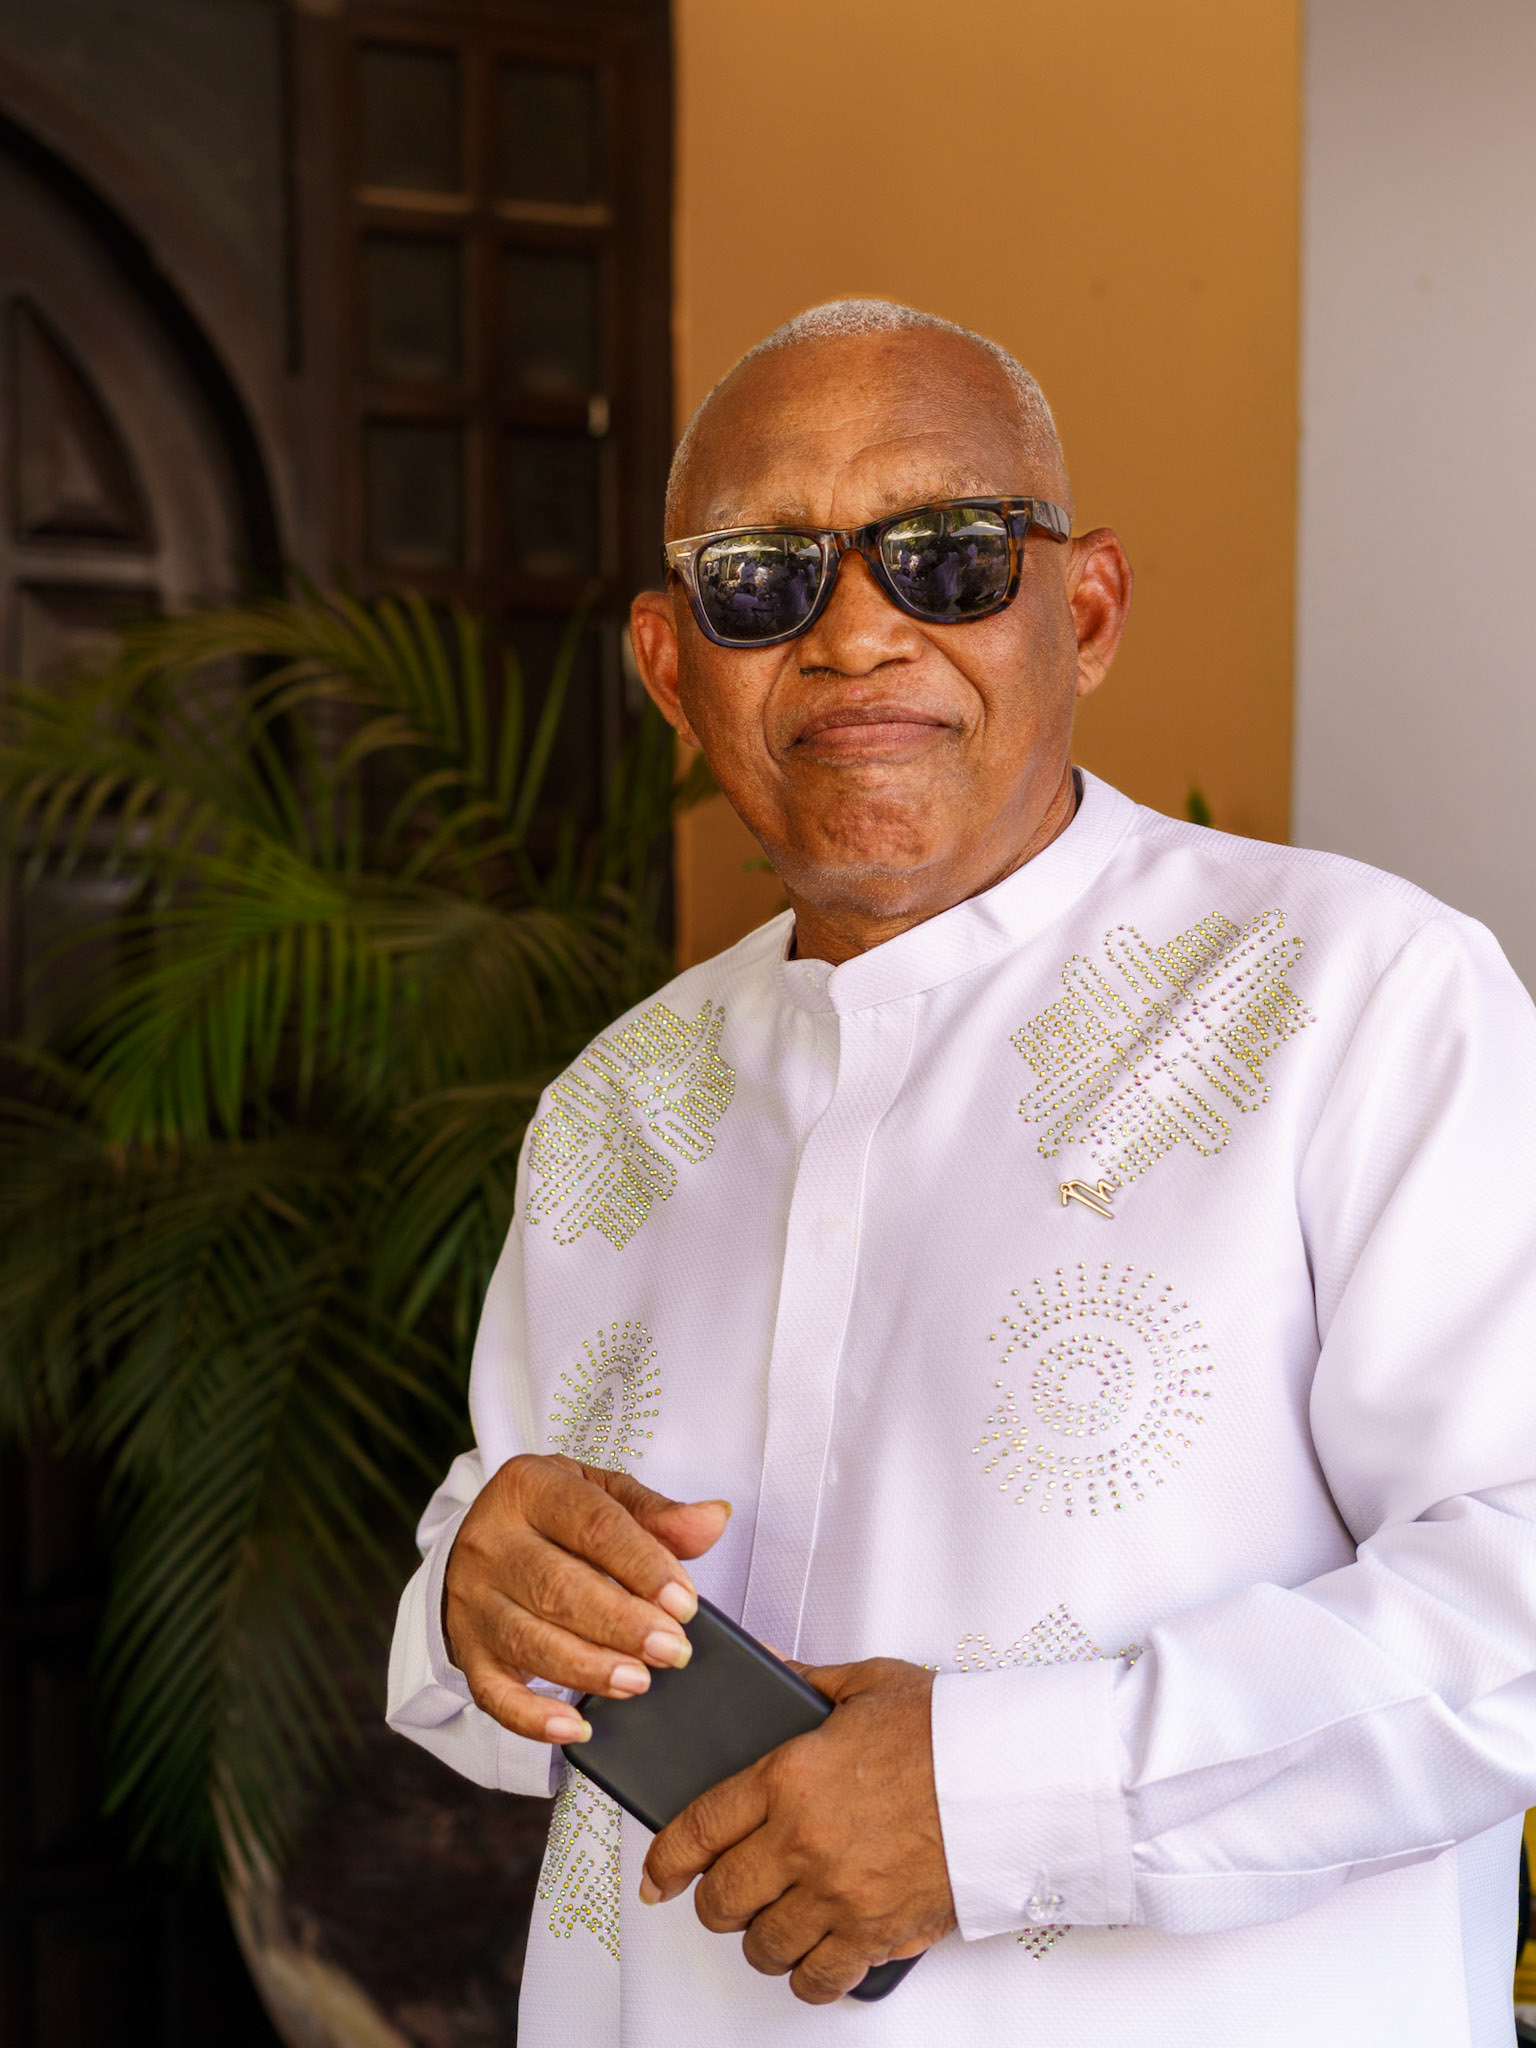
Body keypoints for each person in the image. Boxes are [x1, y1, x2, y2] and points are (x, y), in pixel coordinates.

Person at [387, 299, 1536, 2046]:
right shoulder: (617, 1106)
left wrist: (992, 1806)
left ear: (1087, 611)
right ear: (672, 666)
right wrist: (477, 1601)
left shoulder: (1361, 1002)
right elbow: (500, 1606)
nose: (856, 635)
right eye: (763, 581)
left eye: (948, 557)